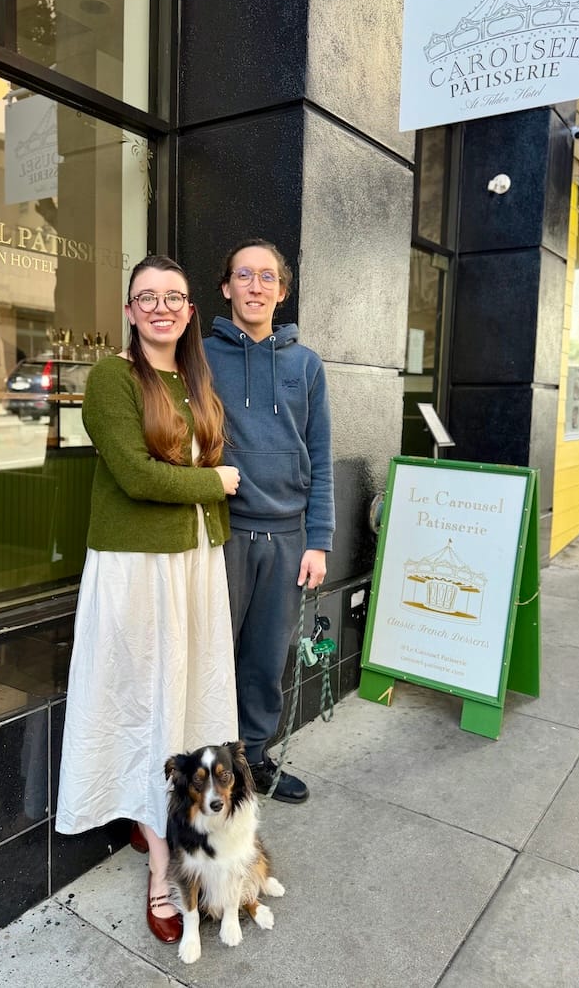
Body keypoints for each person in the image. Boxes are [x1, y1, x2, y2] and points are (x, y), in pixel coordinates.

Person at [55, 255, 240, 945]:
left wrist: (210, 497)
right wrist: (217, 482)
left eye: (173, 297)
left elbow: (185, 470)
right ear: (128, 311)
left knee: (186, 704)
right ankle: (163, 874)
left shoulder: (194, 379)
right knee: (150, 706)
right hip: (139, 570)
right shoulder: (111, 376)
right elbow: (135, 475)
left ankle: (158, 815)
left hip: (194, 565)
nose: (160, 307)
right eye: (146, 297)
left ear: (190, 311)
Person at [204, 239, 335, 805]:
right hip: (222, 533)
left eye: (267, 277)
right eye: (244, 275)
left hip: (287, 539)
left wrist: (319, 540)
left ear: (282, 291)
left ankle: (254, 759)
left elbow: (321, 455)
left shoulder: (306, 365)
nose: (255, 286)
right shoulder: (200, 358)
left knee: (265, 658)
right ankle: (209, 767)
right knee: (213, 654)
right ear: (226, 287)